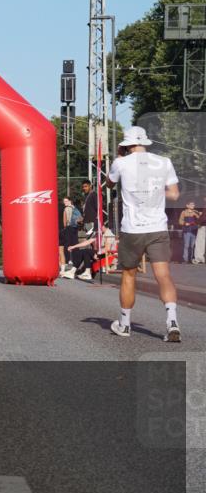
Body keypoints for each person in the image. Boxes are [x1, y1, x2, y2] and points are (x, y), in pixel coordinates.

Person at [106, 126, 182, 341]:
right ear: (145, 142)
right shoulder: (164, 162)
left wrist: (119, 157)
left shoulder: (120, 163)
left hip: (132, 229)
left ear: (126, 145)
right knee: (163, 275)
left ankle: (125, 324)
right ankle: (172, 322)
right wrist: (155, 191)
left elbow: (109, 183)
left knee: (129, 275)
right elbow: (175, 195)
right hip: (157, 227)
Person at [60, 197, 82, 275]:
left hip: (69, 227)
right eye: (64, 201)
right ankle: (76, 260)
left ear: (70, 201)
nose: (65, 203)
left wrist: (64, 227)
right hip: (75, 228)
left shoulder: (66, 209)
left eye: (66, 201)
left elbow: (64, 220)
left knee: (67, 244)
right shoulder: (75, 208)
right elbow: (80, 218)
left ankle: (67, 260)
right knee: (75, 243)